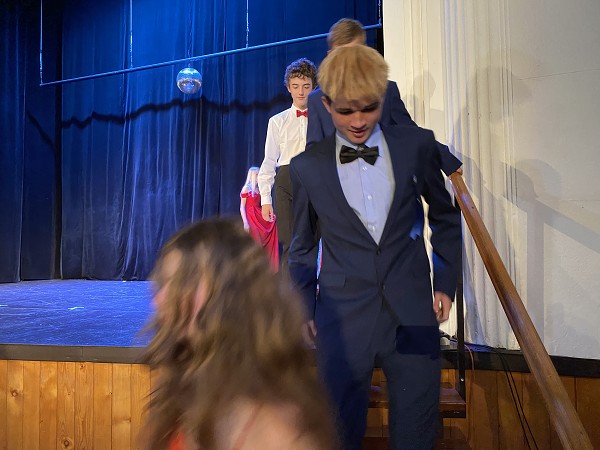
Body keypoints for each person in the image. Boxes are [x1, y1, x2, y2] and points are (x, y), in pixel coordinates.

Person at [289, 45, 462, 450]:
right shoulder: (306, 167)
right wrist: (303, 308)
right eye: (345, 111)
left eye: (368, 108)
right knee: (336, 432)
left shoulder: (417, 146)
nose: (358, 121)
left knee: (417, 429)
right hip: (341, 318)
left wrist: (445, 282)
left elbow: (445, 216)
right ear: (326, 105)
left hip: (413, 312)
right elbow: (301, 247)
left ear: (382, 99)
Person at [140, 218, 338, 450]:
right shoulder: (182, 385)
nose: (160, 299)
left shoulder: (278, 430)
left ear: (231, 293)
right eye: (164, 283)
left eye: (182, 282)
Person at [306, 18, 462, 176]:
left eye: (356, 54)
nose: (350, 62)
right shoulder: (316, 100)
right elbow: (314, 152)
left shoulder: (387, 90)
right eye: (342, 55)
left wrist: (444, 158)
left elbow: (410, 132)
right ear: (330, 56)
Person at [258, 58, 317, 277]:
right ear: (288, 88)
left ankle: (312, 291)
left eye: (306, 86)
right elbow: (269, 161)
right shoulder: (277, 121)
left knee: (313, 241)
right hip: (286, 181)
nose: (301, 92)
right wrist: (265, 199)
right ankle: (287, 293)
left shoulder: (322, 118)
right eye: (296, 86)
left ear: (313, 87)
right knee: (288, 242)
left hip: (314, 180)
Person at [240, 166, 279, 270]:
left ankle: (267, 266)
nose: (259, 176)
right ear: (252, 176)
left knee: (271, 223)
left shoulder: (259, 189)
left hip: (259, 215)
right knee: (256, 241)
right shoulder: (246, 189)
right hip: (251, 217)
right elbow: (242, 207)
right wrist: (245, 222)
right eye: (257, 174)